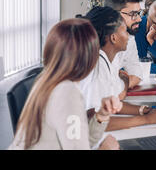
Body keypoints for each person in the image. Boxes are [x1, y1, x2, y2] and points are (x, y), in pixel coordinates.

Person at [9, 19, 122, 150]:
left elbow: (79, 141)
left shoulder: (46, 80)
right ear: (89, 58)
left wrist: (101, 116)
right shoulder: (67, 93)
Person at [79, 7, 156, 132]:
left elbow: (110, 103)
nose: (129, 37)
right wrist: (147, 119)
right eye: (124, 31)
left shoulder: (107, 61)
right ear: (113, 38)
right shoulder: (97, 67)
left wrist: (145, 110)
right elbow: (91, 121)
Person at [103, 0, 146, 89]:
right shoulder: (89, 40)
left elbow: (136, 73)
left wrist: (119, 87)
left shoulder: (129, 37)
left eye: (139, 13)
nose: (139, 19)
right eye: (133, 14)